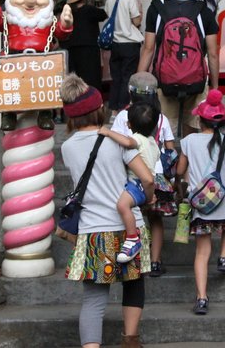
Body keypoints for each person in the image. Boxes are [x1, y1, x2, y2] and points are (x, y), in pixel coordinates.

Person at [60, 74, 155, 348]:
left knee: (93, 299)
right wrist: (144, 199)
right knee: (134, 286)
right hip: (129, 231)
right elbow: (147, 179)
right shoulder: (118, 140)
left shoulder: (67, 148)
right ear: (98, 108)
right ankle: (130, 341)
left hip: (94, 231)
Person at [139, 0, 221, 137]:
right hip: (196, 80)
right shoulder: (204, 11)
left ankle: (168, 161)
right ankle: (187, 161)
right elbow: (213, 54)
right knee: (193, 131)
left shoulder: (156, 8)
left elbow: (148, 49)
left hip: (165, 79)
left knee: (164, 131)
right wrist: (214, 86)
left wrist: (139, 83)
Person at [177, 89, 225, 316]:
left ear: (199, 119)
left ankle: (201, 298)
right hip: (224, 202)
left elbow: (181, 170)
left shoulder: (188, 141)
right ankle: (224, 256)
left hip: (201, 205)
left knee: (202, 253)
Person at [0, 0, 74, 130]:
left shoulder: (48, 20)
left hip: (41, 59)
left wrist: (66, 25)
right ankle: (9, 114)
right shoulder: (11, 20)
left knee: (45, 86)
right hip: (14, 56)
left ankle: (45, 113)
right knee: (10, 86)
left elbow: (60, 33)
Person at [112, 72, 177, 277]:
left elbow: (116, 145)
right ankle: (156, 261)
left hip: (132, 175)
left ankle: (135, 257)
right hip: (157, 177)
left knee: (131, 214)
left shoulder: (123, 116)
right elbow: (170, 148)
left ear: (130, 93)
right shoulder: (162, 118)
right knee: (155, 220)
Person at [100, 100, 161, 264]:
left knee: (122, 205)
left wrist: (107, 132)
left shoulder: (137, 139)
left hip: (137, 184)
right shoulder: (153, 143)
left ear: (129, 124)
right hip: (144, 186)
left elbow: (127, 143)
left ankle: (133, 239)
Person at [106, 0, 144, 112]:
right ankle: (123, 110)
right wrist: (140, 12)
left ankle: (114, 110)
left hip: (115, 44)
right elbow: (136, 22)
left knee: (117, 78)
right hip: (129, 44)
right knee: (127, 78)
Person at [64, 0, 107, 92]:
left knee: (76, 81)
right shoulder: (89, 10)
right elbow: (103, 14)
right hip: (90, 49)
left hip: (72, 49)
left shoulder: (69, 13)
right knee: (92, 80)